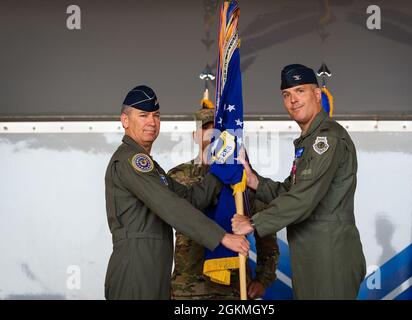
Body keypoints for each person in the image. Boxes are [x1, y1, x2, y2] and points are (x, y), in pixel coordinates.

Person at [231, 64, 366, 300]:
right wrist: (254, 180)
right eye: (287, 94)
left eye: (300, 91)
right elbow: (290, 191)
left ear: (317, 94)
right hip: (312, 253)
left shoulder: (326, 138)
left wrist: (253, 223)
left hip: (329, 255)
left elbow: (303, 198)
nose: (293, 100)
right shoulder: (309, 140)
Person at [104, 85, 249, 300]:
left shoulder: (150, 166)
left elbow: (190, 199)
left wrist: (221, 166)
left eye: (156, 115)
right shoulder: (131, 160)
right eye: (143, 115)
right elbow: (171, 206)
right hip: (136, 266)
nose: (152, 122)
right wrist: (221, 237)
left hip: (153, 267)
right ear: (125, 120)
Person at [169, 95, 279, 300]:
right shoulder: (178, 176)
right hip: (188, 289)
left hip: (234, 288)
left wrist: (263, 278)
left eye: (217, 129)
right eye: (206, 127)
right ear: (194, 135)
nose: (212, 132)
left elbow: (266, 231)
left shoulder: (240, 175)